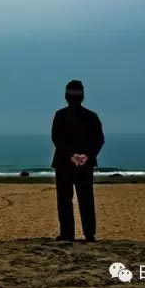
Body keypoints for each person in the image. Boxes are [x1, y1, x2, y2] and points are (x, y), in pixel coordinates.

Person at [51, 80, 105, 242]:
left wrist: (72, 155)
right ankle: (89, 233)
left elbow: (56, 138)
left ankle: (67, 233)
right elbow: (98, 140)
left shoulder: (60, 115)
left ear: (66, 96)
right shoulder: (91, 116)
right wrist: (86, 155)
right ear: (82, 96)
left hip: (64, 161)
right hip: (83, 163)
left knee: (65, 199)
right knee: (86, 198)